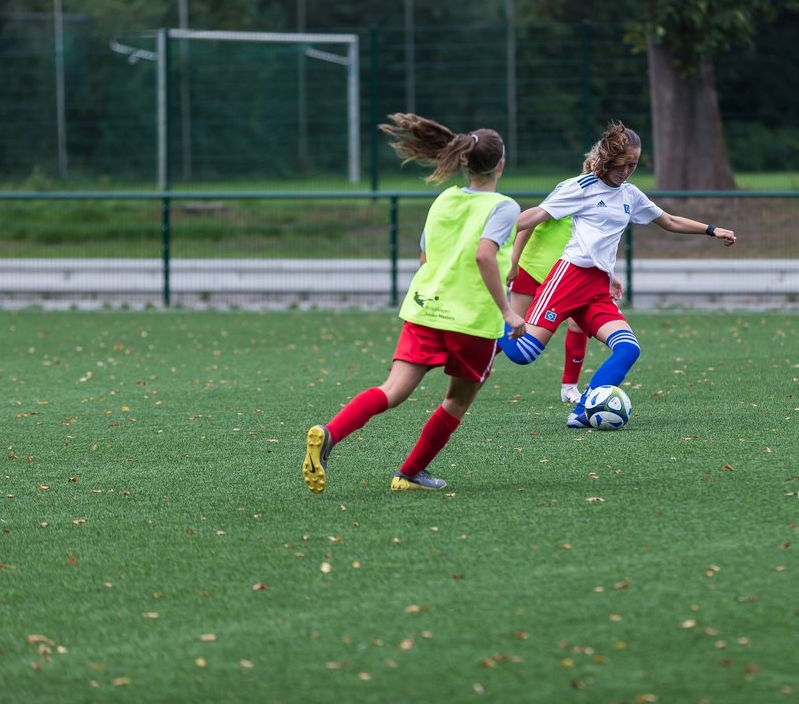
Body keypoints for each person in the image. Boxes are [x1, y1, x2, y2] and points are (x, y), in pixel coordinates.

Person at [302, 113, 525, 495]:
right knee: (456, 400)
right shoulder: (504, 206)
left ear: (463, 162)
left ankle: (331, 432)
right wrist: (507, 312)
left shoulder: (444, 199)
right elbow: (485, 255)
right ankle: (409, 474)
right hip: (471, 320)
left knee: (393, 389)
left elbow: (425, 257)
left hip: (426, 310)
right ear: (500, 165)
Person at [496, 120, 737, 427]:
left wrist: (712, 230)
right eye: (621, 165)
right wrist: (490, 232)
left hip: (597, 287)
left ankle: (583, 410)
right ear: (607, 161)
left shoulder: (630, 195)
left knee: (628, 349)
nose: (625, 172)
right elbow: (536, 214)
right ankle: (490, 319)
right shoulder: (580, 187)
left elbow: (669, 221)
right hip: (568, 278)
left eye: (633, 166)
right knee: (523, 353)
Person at [509, 209, 624, 405]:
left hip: (568, 280)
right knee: (515, 332)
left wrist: (609, 276)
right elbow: (527, 224)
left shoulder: (603, 206)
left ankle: (569, 387)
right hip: (532, 270)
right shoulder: (570, 195)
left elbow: (594, 250)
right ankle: (473, 369)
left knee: (577, 326)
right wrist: (513, 262)